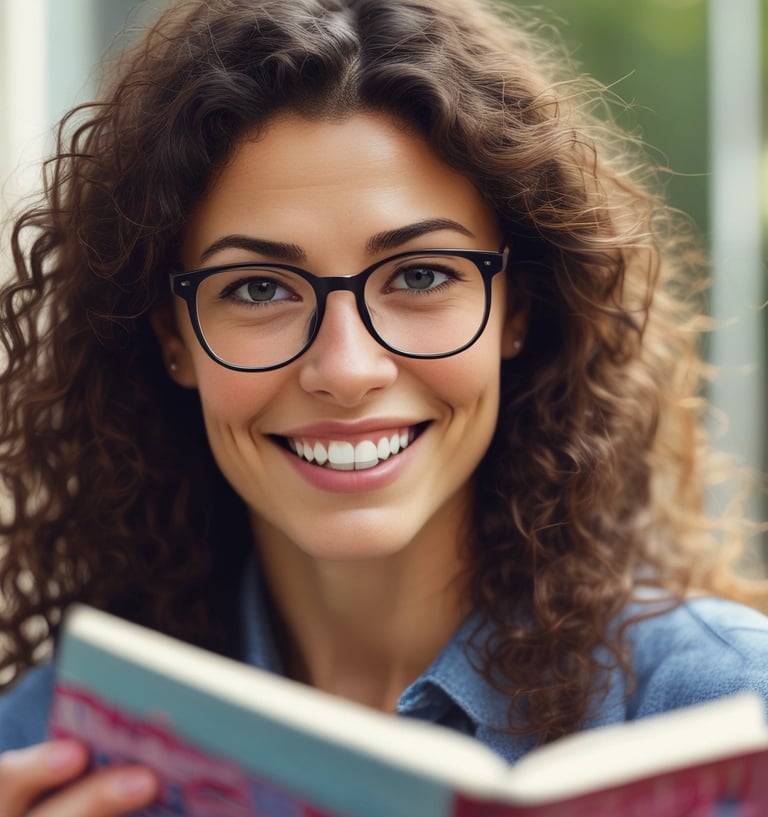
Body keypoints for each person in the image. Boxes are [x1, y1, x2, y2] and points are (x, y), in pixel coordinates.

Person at [1, 0, 767, 812]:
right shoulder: (48, 753)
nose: (347, 368)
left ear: (517, 310)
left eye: (421, 275)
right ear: (174, 338)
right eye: (258, 288)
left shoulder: (729, 707)